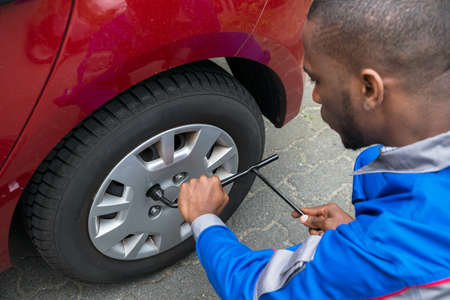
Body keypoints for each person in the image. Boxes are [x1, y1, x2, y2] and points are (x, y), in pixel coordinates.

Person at [177, 0, 450, 298]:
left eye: (317, 79)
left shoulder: (383, 253)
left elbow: (254, 287)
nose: (316, 97)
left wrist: (204, 219)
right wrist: (357, 227)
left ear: (369, 89)